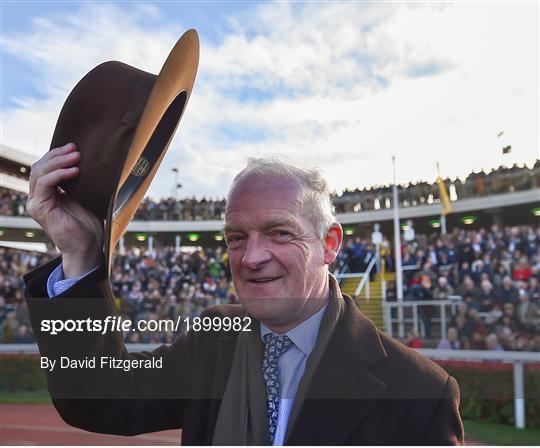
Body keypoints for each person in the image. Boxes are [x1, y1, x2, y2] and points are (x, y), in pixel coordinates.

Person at [24, 144, 463, 445]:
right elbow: (100, 398)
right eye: (236, 238)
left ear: (329, 244)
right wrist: (79, 252)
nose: (252, 257)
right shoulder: (213, 338)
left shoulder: (422, 392)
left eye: (279, 232)